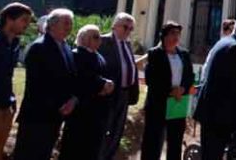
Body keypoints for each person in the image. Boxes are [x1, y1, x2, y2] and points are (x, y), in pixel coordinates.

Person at [13, 8, 77, 160]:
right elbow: (37, 85)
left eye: (71, 23)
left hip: (55, 116)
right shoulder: (39, 47)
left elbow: (71, 78)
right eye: (66, 23)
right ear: (52, 25)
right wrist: (59, 104)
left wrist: (73, 99)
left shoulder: (66, 47)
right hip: (37, 117)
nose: (69, 27)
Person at [194, 14, 236, 160]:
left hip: (213, 112)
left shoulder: (226, 42)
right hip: (217, 114)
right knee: (212, 154)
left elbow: (232, 76)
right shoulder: (233, 48)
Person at [59, 25, 114, 160]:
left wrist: (108, 84)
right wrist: (102, 84)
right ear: (84, 39)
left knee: (92, 149)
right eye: (96, 37)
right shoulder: (76, 54)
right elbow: (83, 78)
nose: (99, 40)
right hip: (81, 110)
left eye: (100, 36)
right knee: (75, 149)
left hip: (97, 110)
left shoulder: (98, 56)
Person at [141, 21, 194, 160]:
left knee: (175, 142)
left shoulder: (184, 54)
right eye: (172, 33)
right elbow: (151, 79)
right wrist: (170, 91)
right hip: (158, 103)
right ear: (164, 35)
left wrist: (182, 88)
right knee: (153, 141)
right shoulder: (155, 54)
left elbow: (189, 76)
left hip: (178, 102)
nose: (176, 37)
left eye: (178, 34)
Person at [0, 2, 32, 160]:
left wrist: (11, 102)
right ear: (9, 19)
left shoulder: (15, 44)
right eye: (24, 20)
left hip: (6, 105)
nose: (27, 25)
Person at [99, 12, 139, 160]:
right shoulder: (103, 41)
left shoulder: (127, 44)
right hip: (108, 95)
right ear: (115, 26)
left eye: (131, 29)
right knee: (104, 130)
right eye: (125, 27)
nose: (128, 31)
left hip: (125, 94)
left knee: (116, 132)